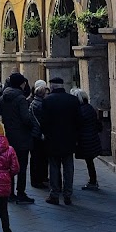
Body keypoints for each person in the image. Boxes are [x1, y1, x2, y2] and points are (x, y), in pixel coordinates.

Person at [40, 77, 81, 206]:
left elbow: (43, 121)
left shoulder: (47, 100)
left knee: (54, 167)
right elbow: (79, 121)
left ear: (52, 87)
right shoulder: (73, 100)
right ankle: (68, 194)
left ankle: (54, 194)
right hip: (69, 139)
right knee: (69, 167)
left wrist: (46, 134)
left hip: (53, 140)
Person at [0, 72, 34, 204]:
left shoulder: (4, 97)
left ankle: (10, 192)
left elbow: (0, 113)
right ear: (21, 83)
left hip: (9, 135)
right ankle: (21, 192)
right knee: (21, 166)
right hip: (22, 136)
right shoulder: (21, 99)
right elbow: (26, 118)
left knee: (10, 165)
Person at [73, 88, 103, 190]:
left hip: (86, 140)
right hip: (92, 138)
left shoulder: (80, 110)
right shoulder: (89, 108)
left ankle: (93, 181)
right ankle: (93, 181)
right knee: (89, 161)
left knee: (89, 161)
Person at [29, 80, 49, 190]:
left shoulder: (32, 102)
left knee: (38, 158)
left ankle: (40, 178)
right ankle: (38, 180)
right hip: (38, 134)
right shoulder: (40, 104)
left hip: (35, 134)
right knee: (38, 158)